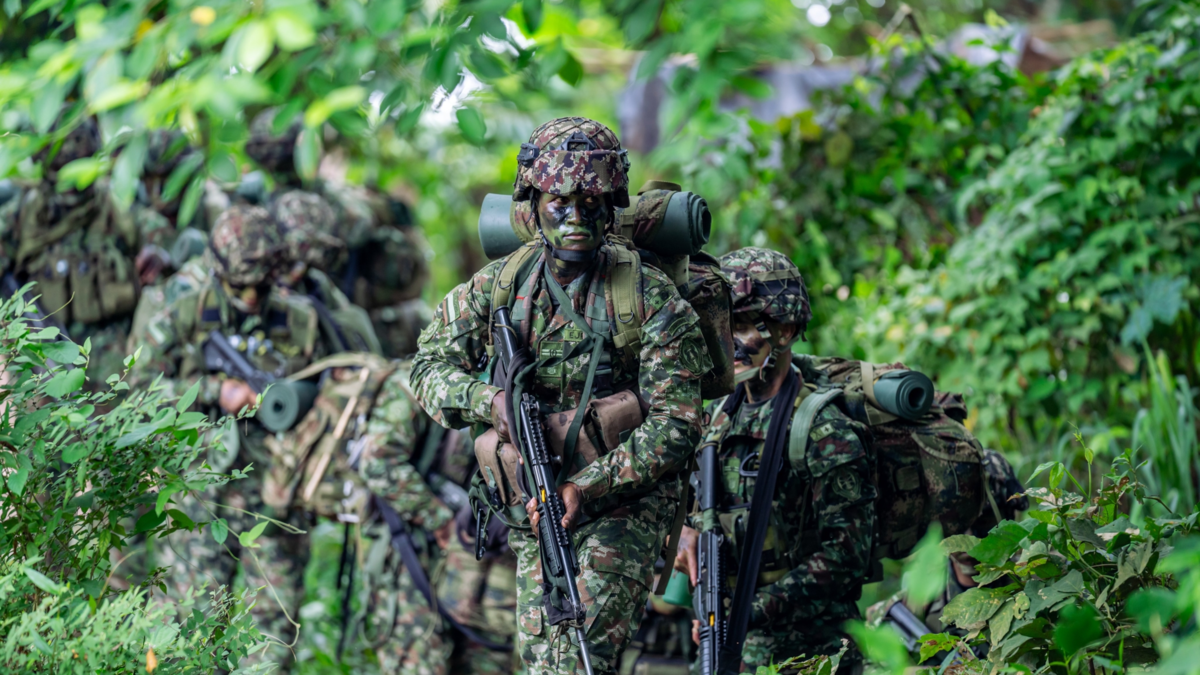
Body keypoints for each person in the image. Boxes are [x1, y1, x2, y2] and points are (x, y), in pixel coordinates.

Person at [411, 117, 711, 675]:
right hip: (533, 502)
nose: (576, 216)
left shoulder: (646, 293)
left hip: (624, 503)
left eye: (592, 201)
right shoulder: (501, 284)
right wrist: (489, 403)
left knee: (579, 658)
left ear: (613, 202)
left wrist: (586, 485)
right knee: (544, 660)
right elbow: (428, 367)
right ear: (533, 202)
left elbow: (678, 421)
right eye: (559, 201)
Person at [129, 204, 376, 669]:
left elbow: (346, 387)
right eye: (238, 286)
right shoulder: (177, 306)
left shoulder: (303, 318)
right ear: (217, 269)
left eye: (260, 286)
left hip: (275, 493)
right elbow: (137, 391)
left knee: (272, 636)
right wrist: (212, 390)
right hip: (198, 495)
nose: (249, 298)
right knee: (189, 628)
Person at [675, 247, 875, 673]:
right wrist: (686, 537)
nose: (726, 340)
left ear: (784, 331)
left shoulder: (819, 428)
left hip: (815, 653)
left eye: (742, 325)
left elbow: (847, 556)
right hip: (732, 644)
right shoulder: (717, 415)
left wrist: (750, 610)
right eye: (722, 324)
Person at [263, 354, 518, 674]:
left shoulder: (508, 386)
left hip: (469, 558)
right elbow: (378, 464)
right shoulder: (419, 383)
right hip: (409, 552)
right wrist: (441, 522)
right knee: (416, 657)